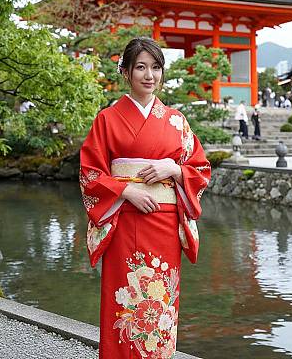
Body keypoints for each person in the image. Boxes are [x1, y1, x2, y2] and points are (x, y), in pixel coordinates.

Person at [79, 37, 211, 358]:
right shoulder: (107, 119)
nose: (149, 75)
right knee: (124, 302)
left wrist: (174, 169)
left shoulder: (176, 121)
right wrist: (126, 190)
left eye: (155, 67)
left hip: (163, 225)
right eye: (140, 67)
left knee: (160, 303)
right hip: (123, 220)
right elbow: (90, 173)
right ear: (125, 72)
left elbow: (201, 169)